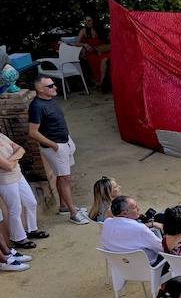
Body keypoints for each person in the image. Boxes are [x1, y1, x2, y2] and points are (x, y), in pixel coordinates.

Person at [27, 75, 88, 224]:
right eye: (50, 86)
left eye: (53, 85)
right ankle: (73, 212)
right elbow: (32, 132)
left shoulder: (50, 99)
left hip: (64, 142)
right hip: (55, 147)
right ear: (40, 89)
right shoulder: (37, 106)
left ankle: (64, 206)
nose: (55, 87)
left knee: (63, 177)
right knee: (65, 178)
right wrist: (53, 145)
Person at [0, 131, 40, 250]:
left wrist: (12, 159)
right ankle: (19, 238)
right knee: (15, 209)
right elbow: (8, 166)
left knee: (31, 202)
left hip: (18, 174)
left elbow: (21, 149)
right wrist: (16, 157)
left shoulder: (1, 135)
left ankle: (31, 229)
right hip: (5, 180)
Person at [100, 195, 163, 263]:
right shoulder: (140, 229)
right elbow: (162, 249)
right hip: (149, 267)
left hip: (120, 267)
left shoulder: (107, 222)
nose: (138, 209)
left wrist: (151, 224)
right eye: (135, 207)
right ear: (124, 213)